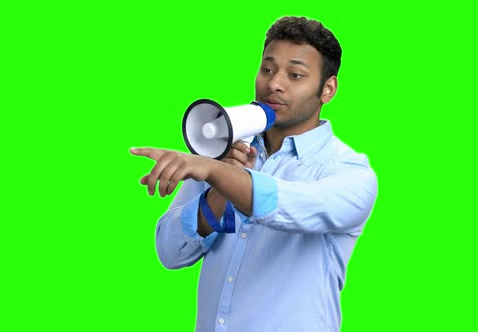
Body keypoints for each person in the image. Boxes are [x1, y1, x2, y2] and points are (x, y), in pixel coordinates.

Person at [131, 16, 378, 332]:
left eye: (295, 74)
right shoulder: (226, 153)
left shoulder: (350, 173)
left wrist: (216, 172)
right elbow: (170, 252)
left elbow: (284, 203)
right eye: (268, 69)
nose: (274, 84)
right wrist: (219, 187)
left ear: (327, 89)